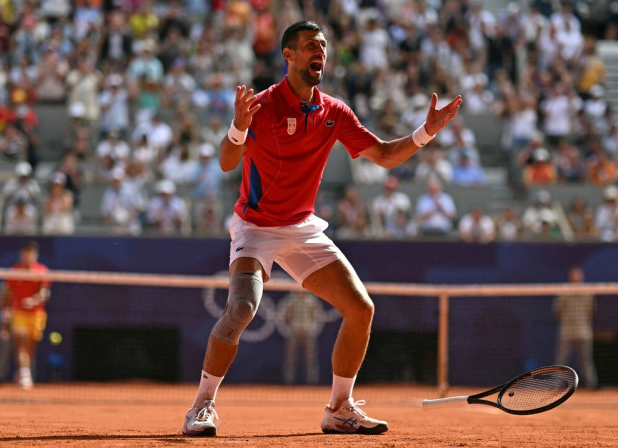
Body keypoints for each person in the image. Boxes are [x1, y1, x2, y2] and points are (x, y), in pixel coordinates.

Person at [182, 21, 462, 437]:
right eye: (312, 45)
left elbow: (384, 155)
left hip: (302, 228)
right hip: (256, 227)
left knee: (361, 309)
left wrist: (426, 133)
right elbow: (227, 161)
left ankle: (339, 408)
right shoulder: (261, 105)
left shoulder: (335, 112)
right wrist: (237, 127)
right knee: (241, 309)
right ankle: (201, 407)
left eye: (325, 46)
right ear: (289, 55)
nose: (321, 52)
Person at [0, 241, 51, 389]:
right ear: (22, 254)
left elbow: (44, 292)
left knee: (30, 346)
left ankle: (23, 370)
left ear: (35, 255)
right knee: (21, 342)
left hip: (37, 314)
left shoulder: (42, 271)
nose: (27, 256)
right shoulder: (15, 271)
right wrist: (5, 311)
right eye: (25, 253)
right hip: (18, 312)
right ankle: (25, 374)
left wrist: (33, 301)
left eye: (31, 253)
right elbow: (7, 292)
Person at [554, 266, 598, 389]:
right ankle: (557, 386)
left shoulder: (588, 292)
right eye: (574, 275)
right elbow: (558, 311)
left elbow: (591, 310)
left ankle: (591, 385)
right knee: (561, 362)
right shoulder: (563, 291)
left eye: (578, 275)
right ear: (570, 277)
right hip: (567, 332)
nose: (576, 278)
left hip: (583, 332)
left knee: (587, 361)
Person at [281, 289, 322, 385]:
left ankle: (312, 382)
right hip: (294, 333)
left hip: (308, 334)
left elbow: (317, 315)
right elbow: (285, 315)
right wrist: (290, 327)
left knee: (311, 358)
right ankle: (288, 382)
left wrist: (312, 328)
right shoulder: (291, 300)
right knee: (290, 358)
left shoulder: (312, 300)